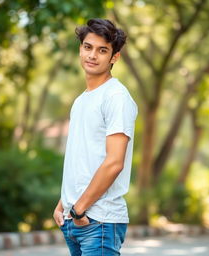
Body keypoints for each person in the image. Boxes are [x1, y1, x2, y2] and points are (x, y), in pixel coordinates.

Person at [53, 18, 138, 256]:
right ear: (80, 49)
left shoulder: (116, 97)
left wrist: (80, 209)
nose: (92, 55)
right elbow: (81, 159)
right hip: (75, 219)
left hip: (99, 221)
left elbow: (114, 162)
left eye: (102, 50)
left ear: (114, 57)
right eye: (88, 47)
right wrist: (64, 204)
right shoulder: (81, 101)